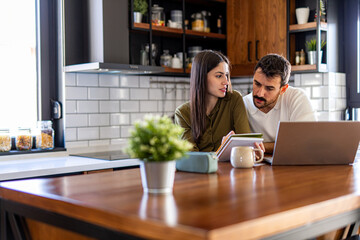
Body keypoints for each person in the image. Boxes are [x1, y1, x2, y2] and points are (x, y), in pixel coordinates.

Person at [174, 50, 254, 152]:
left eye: (226, 75)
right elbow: (191, 158)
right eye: (219, 76)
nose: (226, 82)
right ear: (201, 77)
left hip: (231, 168)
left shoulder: (234, 99)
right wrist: (223, 149)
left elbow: (245, 146)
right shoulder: (183, 113)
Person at [243, 54, 317, 154]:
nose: (259, 93)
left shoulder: (297, 98)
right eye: (257, 84)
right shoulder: (243, 104)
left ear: (283, 89)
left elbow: (306, 143)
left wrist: (260, 147)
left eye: (269, 88)